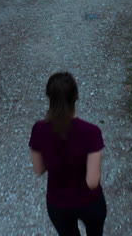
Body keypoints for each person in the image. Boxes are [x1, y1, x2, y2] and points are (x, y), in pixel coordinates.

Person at [29, 72, 107, 236]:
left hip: (58, 204)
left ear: (49, 97)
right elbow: (92, 182)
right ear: (76, 97)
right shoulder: (92, 132)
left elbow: (39, 169)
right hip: (90, 203)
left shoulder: (38, 129)